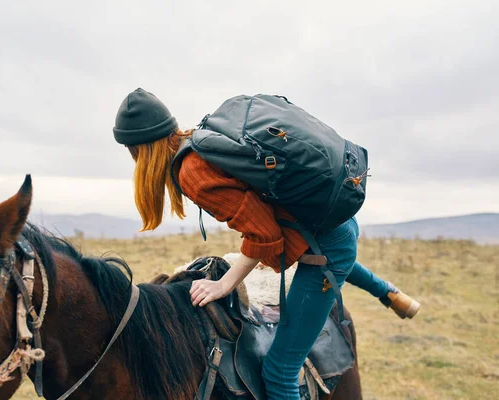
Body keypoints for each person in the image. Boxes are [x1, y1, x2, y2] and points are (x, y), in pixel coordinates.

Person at [113, 88, 420, 399]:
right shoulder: (199, 142)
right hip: (331, 222)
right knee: (325, 252)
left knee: (280, 373)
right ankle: (388, 292)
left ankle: (387, 293)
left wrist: (224, 284)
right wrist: (260, 254)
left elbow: (264, 234)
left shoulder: (191, 171)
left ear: (138, 150)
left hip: (325, 241)